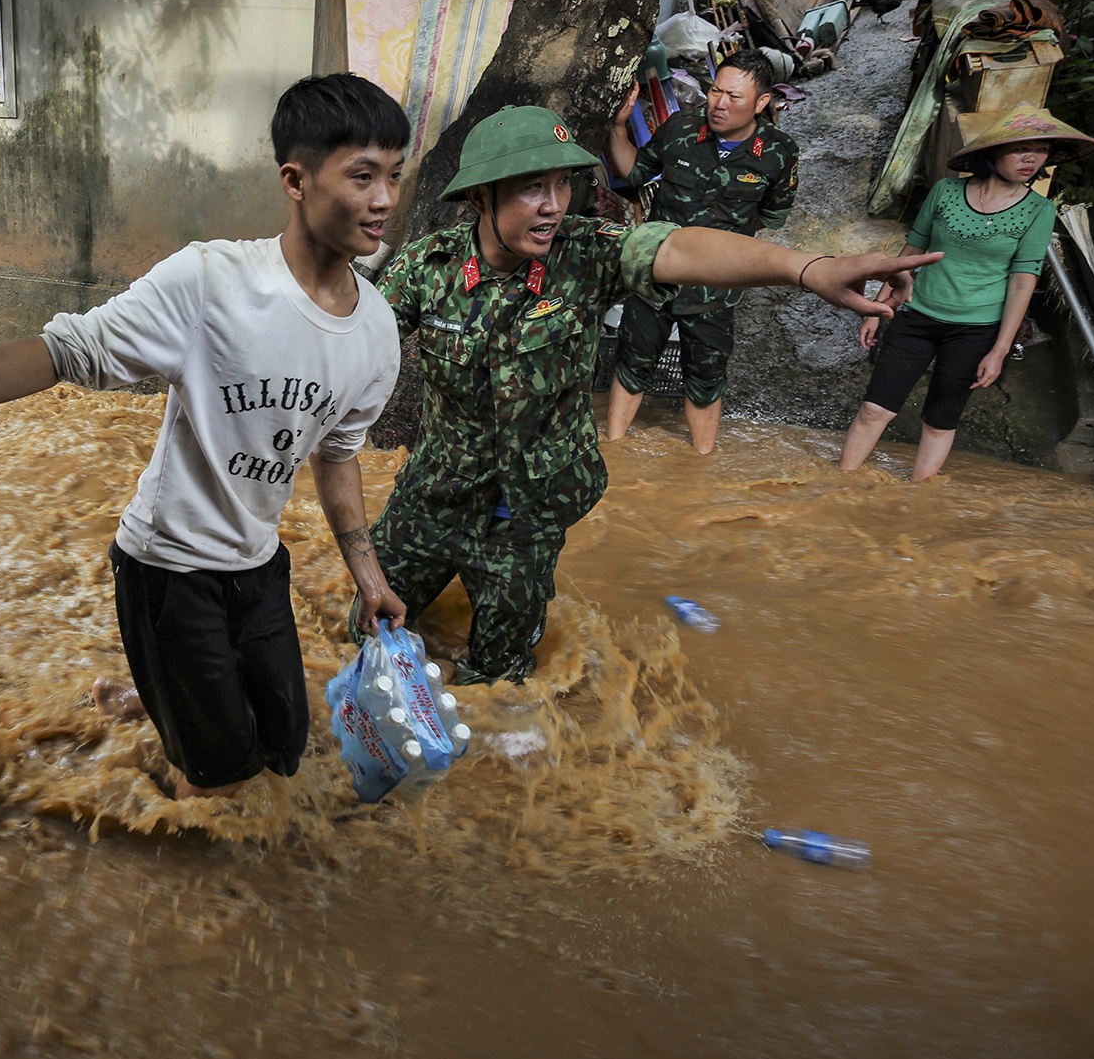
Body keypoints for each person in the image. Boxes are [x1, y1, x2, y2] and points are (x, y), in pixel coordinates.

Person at [0, 75, 410, 801]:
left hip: (258, 563)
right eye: (362, 176)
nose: (385, 199)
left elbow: (338, 457)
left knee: (283, 750)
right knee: (222, 785)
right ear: (295, 180)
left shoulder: (377, 332)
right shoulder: (212, 283)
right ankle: (174, 737)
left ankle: (152, 703)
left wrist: (370, 577)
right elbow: (60, 353)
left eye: (393, 175)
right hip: (168, 569)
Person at [372, 105, 932, 685]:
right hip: (432, 500)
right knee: (365, 633)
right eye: (531, 188)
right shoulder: (425, 268)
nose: (553, 204)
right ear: (480, 198)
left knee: (497, 681)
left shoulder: (586, 253)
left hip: (523, 517)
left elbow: (683, 249)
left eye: (563, 183)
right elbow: (352, 349)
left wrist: (810, 269)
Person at [840, 103, 1094, 480]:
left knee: (940, 420)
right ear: (993, 152)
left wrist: (1000, 349)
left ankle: (916, 501)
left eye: (1041, 150)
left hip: (976, 330)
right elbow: (911, 251)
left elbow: (1023, 280)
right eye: (1020, 148)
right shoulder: (945, 191)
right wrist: (877, 306)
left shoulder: (1038, 210)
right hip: (916, 314)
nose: (1032, 158)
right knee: (875, 409)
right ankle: (839, 484)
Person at [602, 50, 800, 453]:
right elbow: (635, 171)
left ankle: (700, 462)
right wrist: (619, 127)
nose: (719, 104)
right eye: (715, 91)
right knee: (632, 363)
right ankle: (613, 452)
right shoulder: (681, 128)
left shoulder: (779, 152)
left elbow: (770, 217)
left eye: (734, 97)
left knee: (706, 377)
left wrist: (721, 245)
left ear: (762, 102)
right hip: (655, 276)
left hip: (715, 291)